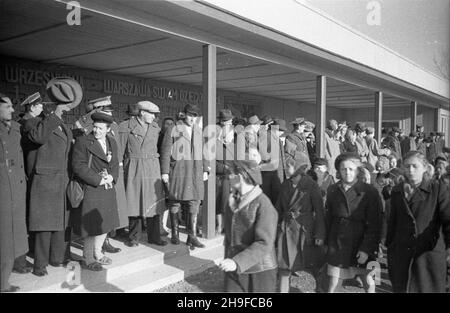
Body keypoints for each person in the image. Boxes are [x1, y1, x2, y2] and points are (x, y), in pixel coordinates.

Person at [27, 77, 82, 276]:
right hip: (45, 181)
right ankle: (39, 264)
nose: (66, 108)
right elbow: (38, 137)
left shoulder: (62, 126)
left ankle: (57, 258)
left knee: (60, 223)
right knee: (44, 225)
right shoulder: (34, 123)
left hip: (61, 180)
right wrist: (56, 114)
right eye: (64, 105)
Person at [386, 151, 450, 293]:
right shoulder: (397, 191)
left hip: (428, 256)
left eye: (415, 166)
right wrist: (390, 249)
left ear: (425, 168)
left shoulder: (437, 189)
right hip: (402, 255)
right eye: (407, 166)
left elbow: (448, 219)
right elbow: (393, 224)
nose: (411, 171)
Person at [325, 153, 383, 293]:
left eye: (351, 169)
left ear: (358, 170)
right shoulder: (333, 190)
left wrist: (366, 249)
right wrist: (327, 243)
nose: (347, 172)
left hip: (361, 241)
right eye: (343, 169)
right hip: (338, 241)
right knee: (333, 281)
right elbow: (329, 219)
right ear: (338, 171)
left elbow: (375, 223)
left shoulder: (370, 192)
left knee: (368, 280)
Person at [218, 159, 278, 292]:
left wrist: (237, 262)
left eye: (230, 175)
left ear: (240, 177)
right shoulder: (233, 201)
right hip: (235, 267)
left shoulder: (264, 205)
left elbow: (264, 243)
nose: (228, 178)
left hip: (259, 270)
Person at [71, 112, 120, 271]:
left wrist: (111, 178)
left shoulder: (112, 142)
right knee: (91, 226)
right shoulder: (83, 141)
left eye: (100, 128)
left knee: (104, 223)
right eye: (95, 127)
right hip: (92, 188)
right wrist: (98, 180)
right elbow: (78, 166)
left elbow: (115, 164)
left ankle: (98, 253)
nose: (96, 130)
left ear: (108, 129)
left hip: (107, 188)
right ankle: (88, 257)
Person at [160, 104, 209, 249]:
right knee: (175, 201)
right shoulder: (173, 128)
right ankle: (175, 233)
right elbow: (166, 151)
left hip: (195, 171)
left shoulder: (199, 131)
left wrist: (206, 169)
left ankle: (191, 236)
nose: (192, 118)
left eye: (195, 116)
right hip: (179, 170)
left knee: (194, 202)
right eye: (190, 115)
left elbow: (204, 151)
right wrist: (164, 172)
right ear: (183, 114)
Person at [119, 101, 167, 247]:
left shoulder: (155, 128)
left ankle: (154, 236)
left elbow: (160, 148)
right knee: (134, 202)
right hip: (134, 167)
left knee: (154, 204)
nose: (154, 117)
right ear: (142, 113)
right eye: (151, 114)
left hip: (152, 167)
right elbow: (120, 152)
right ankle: (134, 237)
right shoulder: (125, 127)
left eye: (155, 114)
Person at [276, 158, 326, 292]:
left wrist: (320, 234)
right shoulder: (285, 184)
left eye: (289, 167)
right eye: (286, 166)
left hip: (304, 231)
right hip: (286, 230)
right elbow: (278, 209)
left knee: (313, 268)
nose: (286, 169)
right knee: (284, 268)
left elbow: (320, 212)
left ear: (298, 168)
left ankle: (320, 290)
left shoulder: (311, 185)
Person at [13, 92, 44, 274]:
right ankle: (22, 259)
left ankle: (28, 251)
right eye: (39, 106)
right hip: (25, 176)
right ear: (32, 107)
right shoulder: (27, 124)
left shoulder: (27, 122)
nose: (42, 108)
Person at [0, 94, 29, 292]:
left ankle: (4, 283)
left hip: (15, 191)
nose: (12, 110)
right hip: (3, 191)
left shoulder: (16, 129)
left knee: (11, 240)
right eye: (7, 106)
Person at [216, 109, 236, 235]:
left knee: (232, 202)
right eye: (226, 122)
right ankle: (219, 226)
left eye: (230, 122)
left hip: (233, 174)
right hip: (221, 175)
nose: (228, 124)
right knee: (221, 202)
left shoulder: (234, 137)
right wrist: (225, 168)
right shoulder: (215, 137)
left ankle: (228, 226)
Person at [260, 118, 288, 206]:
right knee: (269, 198)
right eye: (281, 130)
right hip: (268, 174)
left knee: (277, 197)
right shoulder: (266, 136)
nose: (282, 133)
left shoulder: (277, 138)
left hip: (277, 173)